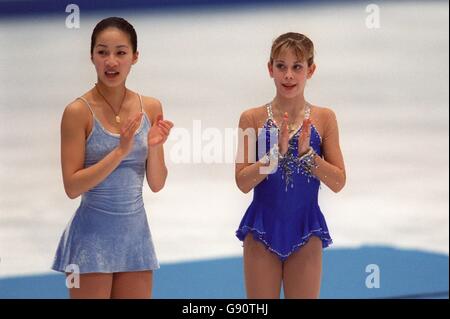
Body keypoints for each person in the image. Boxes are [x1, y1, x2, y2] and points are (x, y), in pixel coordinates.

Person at [51, 17, 173, 299]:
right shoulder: (77, 112)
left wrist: (154, 146)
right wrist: (120, 151)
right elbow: (72, 187)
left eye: (120, 52)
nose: (111, 61)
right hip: (91, 241)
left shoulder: (151, 107)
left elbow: (156, 183)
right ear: (92, 56)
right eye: (103, 52)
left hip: (136, 238)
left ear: (135, 57)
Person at [235, 32, 346, 299]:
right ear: (270, 68)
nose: (288, 75)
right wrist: (273, 156)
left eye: (297, 67)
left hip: (306, 228)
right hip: (262, 229)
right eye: (281, 66)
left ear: (311, 70)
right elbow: (242, 182)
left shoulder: (324, 118)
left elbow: (338, 182)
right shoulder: (252, 118)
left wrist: (308, 155)